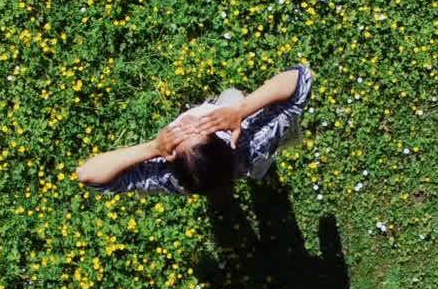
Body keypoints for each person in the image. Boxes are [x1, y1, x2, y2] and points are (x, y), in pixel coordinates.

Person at [75, 64, 313, 195]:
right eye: (198, 129)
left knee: (229, 99)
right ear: (223, 140)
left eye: (181, 134)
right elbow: (301, 78)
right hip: (252, 155)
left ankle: (232, 180)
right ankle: (256, 172)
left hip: (210, 175)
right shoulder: (251, 138)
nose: (186, 123)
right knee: (232, 97)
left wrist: (152, 148)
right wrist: (241, 111)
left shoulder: (166, 177)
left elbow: (87, 174)